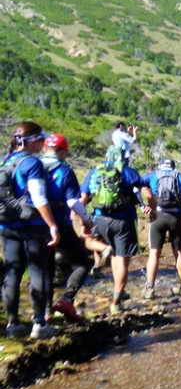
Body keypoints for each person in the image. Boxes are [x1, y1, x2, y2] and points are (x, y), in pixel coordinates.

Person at [0, 122, 61, 339]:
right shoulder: (32, 163)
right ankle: (39, 324)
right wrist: (52, 225)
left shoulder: (5, 161)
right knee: (38, 271)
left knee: (12, 272)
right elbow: (39, 197)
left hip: (7, 226)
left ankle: (13, 324)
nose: (43, 143)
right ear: (32, 141)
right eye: (41, 139)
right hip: (32, 227)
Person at [80, 145, 147, 314]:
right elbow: (146, 193)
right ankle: (116, 303)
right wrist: (149, 207)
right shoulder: (129, 172)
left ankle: (104, 249)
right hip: (123, 221)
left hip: (99, 219)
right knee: (121, 260)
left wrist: (83, 221)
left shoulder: (94, 172)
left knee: (89, 242)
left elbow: (83, 199)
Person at [41, 134, 94, 322]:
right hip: (60, 224)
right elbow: (72, 201)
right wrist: (87, 220)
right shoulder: (64, 170)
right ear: (62, 151)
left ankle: (44, 313)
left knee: (44, 268)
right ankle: (66, 299)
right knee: (83, 263)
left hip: (34, 225)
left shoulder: (33, 166)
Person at [141, 158, 181, 299]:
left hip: (157, 217)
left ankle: (149, 289)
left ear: (160, 166)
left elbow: (135, 187)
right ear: (173, 167)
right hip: (176, 218)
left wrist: (142, 206)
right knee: (179, 253)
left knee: (154, 254)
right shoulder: (179, 176)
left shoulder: (153, 175)